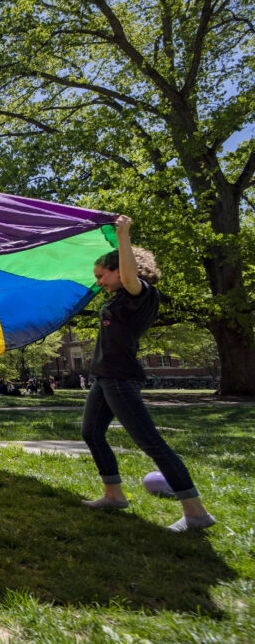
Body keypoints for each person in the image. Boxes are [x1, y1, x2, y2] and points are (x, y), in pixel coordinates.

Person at [81, 215, 214, 532]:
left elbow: (130, 277)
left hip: (120, 379)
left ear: (120, 270)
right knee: (92, 433)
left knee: (152, 444)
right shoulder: (120, 298)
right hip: (105, 377)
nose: (98, 281)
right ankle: (114, 494)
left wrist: (123, 234)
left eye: (102, 275)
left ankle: (196, 513)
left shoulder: (140, 294)